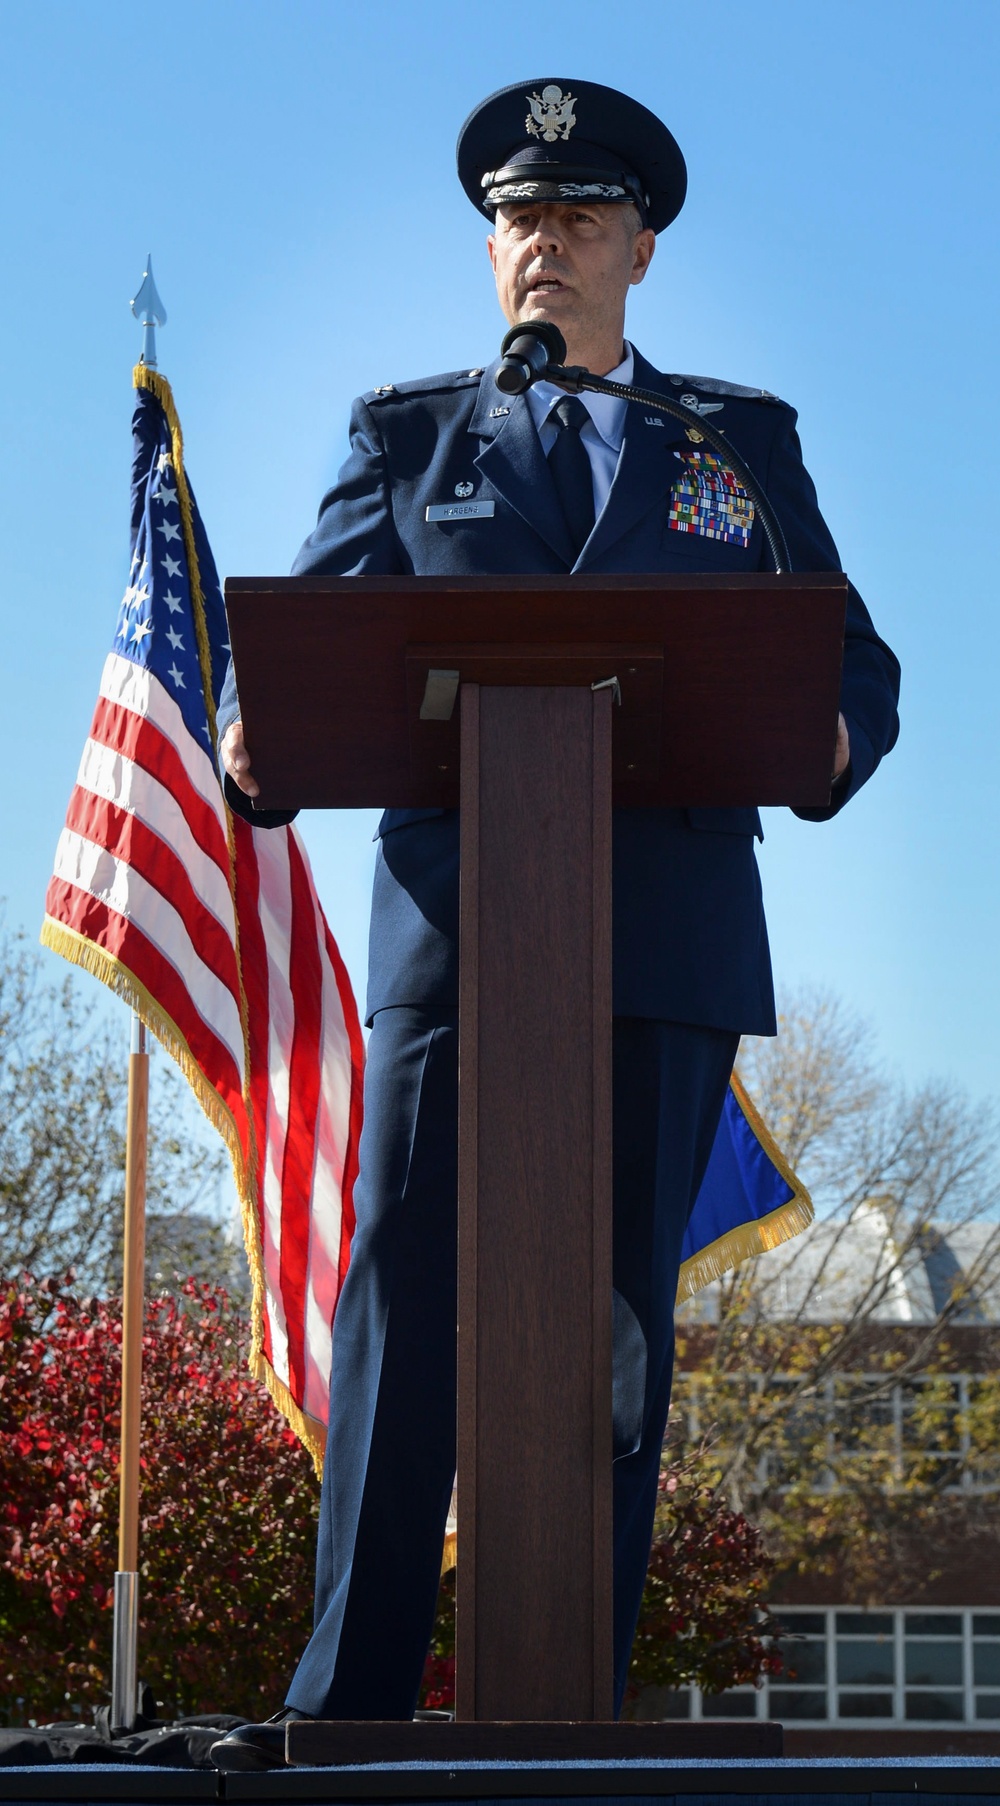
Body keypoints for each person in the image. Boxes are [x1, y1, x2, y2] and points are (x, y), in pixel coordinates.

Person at [211, 77, 900, 1768]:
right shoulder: (406, 436)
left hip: (659, 946)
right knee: (403, 1305)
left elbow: (855, 665)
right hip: (460, 945)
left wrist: (830, 738)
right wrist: (257, 734)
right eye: (519, 218)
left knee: (613, 1331)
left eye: (581, 217)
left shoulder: (737, 441)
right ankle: (351, 1698)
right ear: (491, 245)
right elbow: (309, 647)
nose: (544, 245)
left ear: (641, 250)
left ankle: (568, 1700)